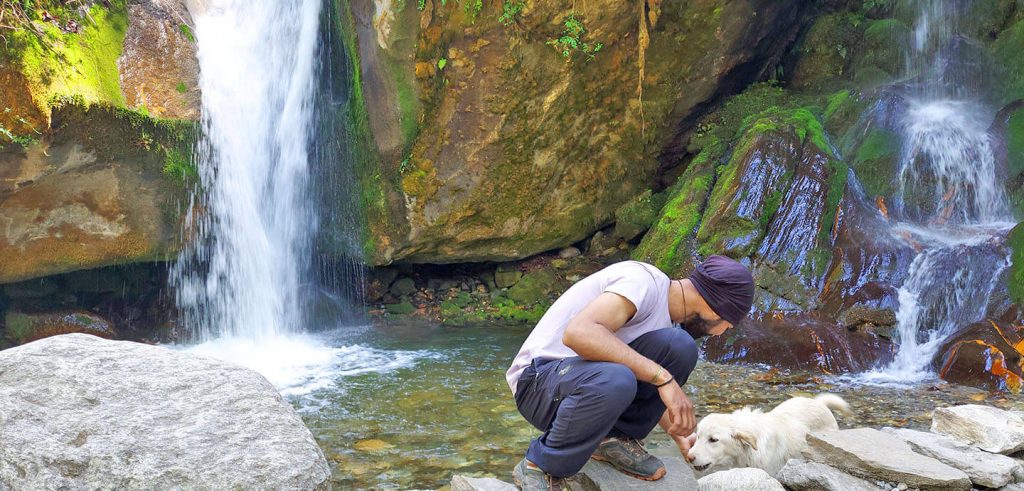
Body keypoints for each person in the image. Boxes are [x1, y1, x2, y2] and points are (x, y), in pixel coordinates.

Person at [506, 256, 755, 490]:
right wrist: (664, 378)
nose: (720, 333)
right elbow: (578, 333)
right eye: (727, 325)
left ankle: (613, 440)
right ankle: (540, 465)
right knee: (620, 377)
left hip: (583, 387)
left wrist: (680, 432)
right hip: (537, 382)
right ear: (716, 310)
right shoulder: (642, 282)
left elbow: (641, 374)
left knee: (680, 348)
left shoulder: (667, 325)